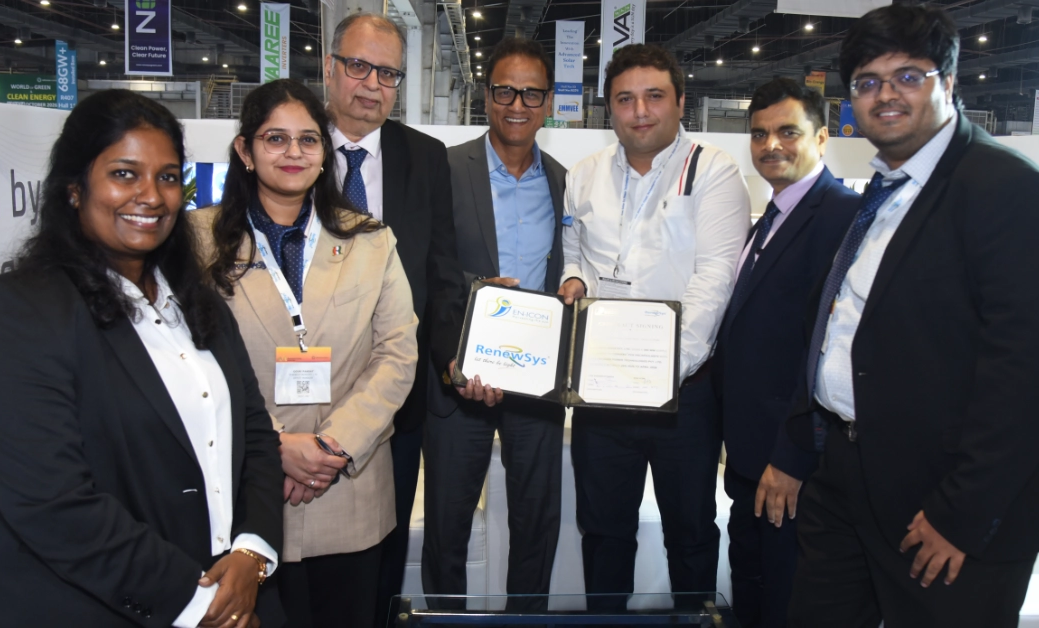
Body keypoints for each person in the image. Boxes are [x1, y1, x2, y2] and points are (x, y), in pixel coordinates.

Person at [776, 5, 1039, 627]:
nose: (886, 95)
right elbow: (843, 329)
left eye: (908, 76)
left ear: (948, 82)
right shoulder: (883, 191)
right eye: (867, 82)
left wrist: (962, 515)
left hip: (946, 505)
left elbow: (1029, 376)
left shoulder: (1011, 191)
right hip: (846, 478)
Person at [0, 90, 282, 628]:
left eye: (168, 177)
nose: (151, 196)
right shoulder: (14, 312)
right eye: (124, 174)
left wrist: (251, 553)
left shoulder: (196, 301)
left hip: (230, 594)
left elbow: (256, 436)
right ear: (74, 188)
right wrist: (201, 604)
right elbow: (55, 506)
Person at [189, 79, 418, 628]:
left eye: (308, 139)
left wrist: (330, 447)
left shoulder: (371, 240)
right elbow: (192, 362)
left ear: (324, 151)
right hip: (248, 492)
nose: (293, 152)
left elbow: (397, 353)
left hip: (350, 489)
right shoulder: (196, 241)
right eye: (275, 138)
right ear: (245, 150)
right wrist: (273, 446)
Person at [558, 43, 751, 610]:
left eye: (654, 96)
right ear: (609, 109)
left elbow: (714, 281)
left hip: (684, 395)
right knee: (603, 531)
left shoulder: (714, 170)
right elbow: (574, 252)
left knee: (690, 532)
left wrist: (657, 374)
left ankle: (695, 619)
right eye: (625, 99)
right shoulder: (584, 175)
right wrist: (573, 279)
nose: (639, 111)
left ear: (681, 101)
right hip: (600, 394)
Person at [319, 13, 466, 614]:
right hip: (305, 393)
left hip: (395, 398)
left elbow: (443, 273)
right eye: (359, 66)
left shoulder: (426, 158)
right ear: (329, 68)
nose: (372, 84)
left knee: (385, 543)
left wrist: (452, 361)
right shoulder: (294, 144)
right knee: (301, 550)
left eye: (388, 73)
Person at [421, 37, 568, 612]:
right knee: (447, 525)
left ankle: (526, 621)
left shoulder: (563, 181)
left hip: (536, 380)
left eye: (532, 93)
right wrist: (475, 298)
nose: (517, 105)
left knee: (537, 522)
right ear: (486, 96)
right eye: (505, 91)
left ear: (548, 102)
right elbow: (427, 270)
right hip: (460, 376)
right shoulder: (445, 168)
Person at [708, 77, 860, 628]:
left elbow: (828, 351)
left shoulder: (842, 218)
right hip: (750, 457)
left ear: (821, 137)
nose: (771, 145)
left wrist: (793, 458)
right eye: (759, 134)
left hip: (792, 465)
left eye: (788, 132)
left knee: (786, 601)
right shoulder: (769, 219)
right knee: (750, 586)